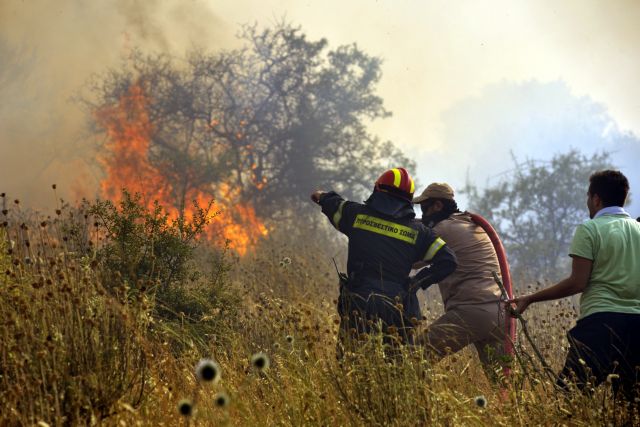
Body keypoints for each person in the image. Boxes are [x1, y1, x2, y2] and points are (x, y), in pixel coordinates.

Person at [508, 170, 640, 400]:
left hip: (600, 326)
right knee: (629, 406)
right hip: (637, 328)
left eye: (588, 197)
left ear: (596, 199)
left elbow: (577, 283)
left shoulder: (590, 229)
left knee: (567, 399)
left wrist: (530, 298)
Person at [311, 168, 457, 353]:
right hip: (398, 307)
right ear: (408, 200)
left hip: (359, 304)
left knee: (351, 363)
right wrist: (416, 282)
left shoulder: (355, 214)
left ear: (378, 191)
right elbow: (448, 261)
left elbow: (325, 199)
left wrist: (322, 196)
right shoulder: (420, 233)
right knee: (393, 371)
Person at [412, 183, 509, 377]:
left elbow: (414, 262)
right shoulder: (469, 224)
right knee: (503, 385)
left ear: (438, 206)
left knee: (414, 357)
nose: (423, 214)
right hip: (499, 313)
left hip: (471, 312)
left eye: (425, 208)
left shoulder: (443, 229)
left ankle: (418, 404)